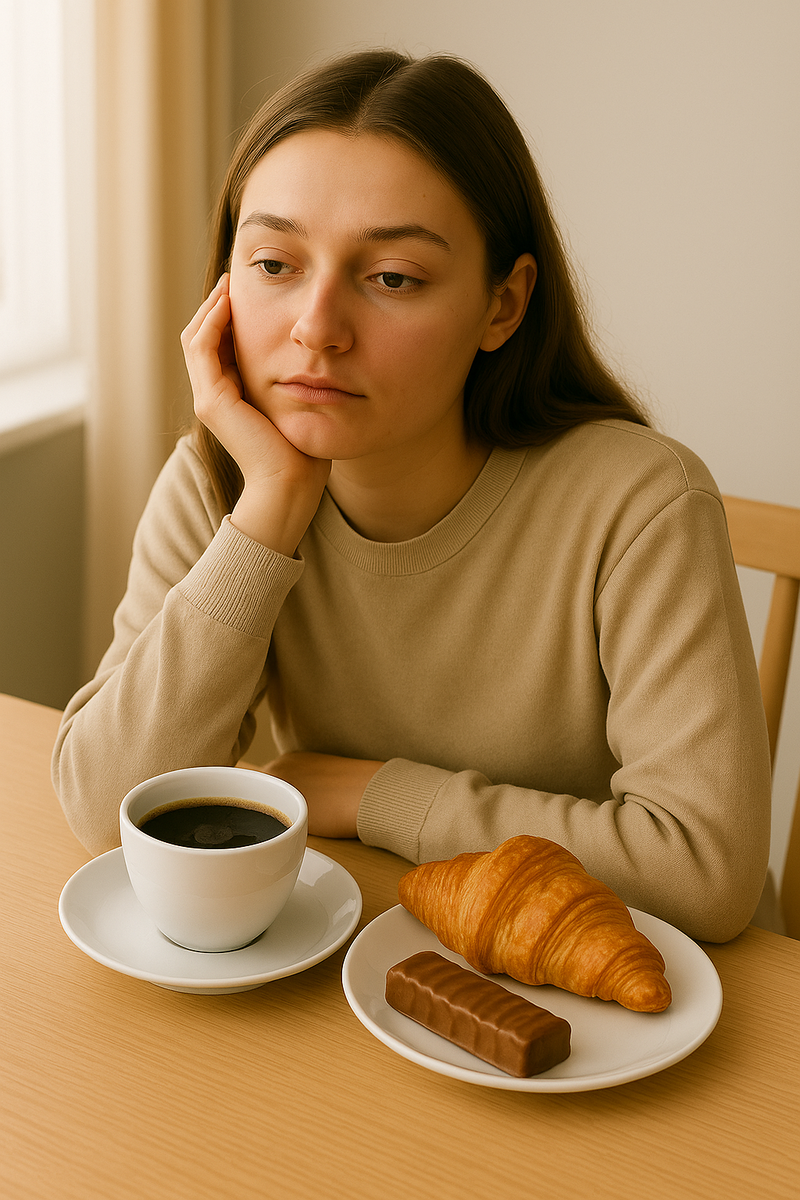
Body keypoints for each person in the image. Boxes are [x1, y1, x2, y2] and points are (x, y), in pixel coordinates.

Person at [52, 49, 771, 941]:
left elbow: (704, 873)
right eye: (274, 263)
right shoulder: (221, 488)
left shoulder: (639, 502)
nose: (317, 328)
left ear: (503, 306)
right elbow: (106, 810)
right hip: (388, 952)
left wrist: (376, 794)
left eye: (392, 277)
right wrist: (267, 518)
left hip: (638, 979)